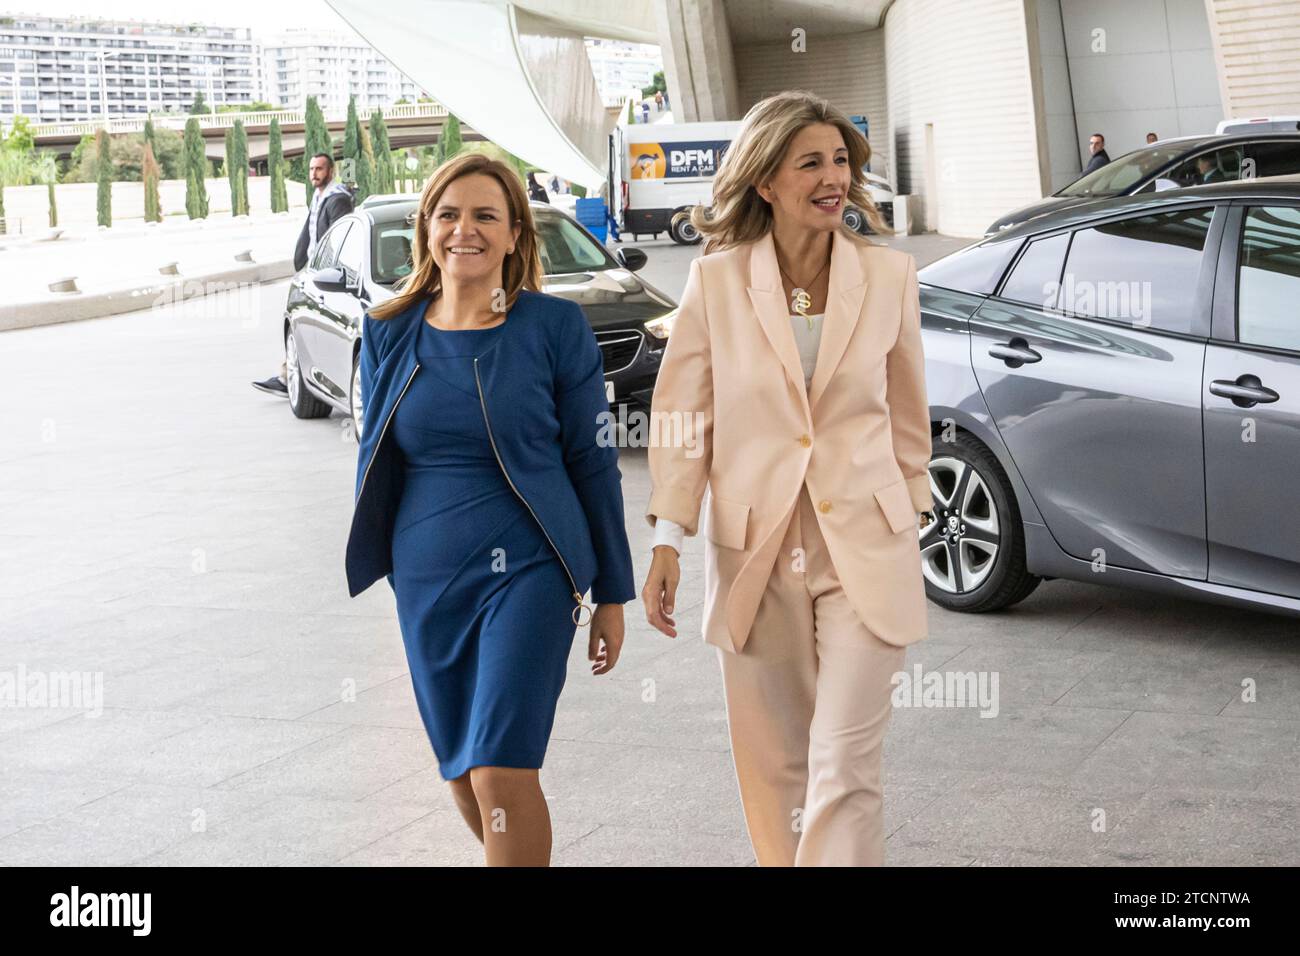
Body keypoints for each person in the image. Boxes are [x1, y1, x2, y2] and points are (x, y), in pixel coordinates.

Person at [641, 89, 936, 867]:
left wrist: (914, 507)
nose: (833, 176)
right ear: (765, 180)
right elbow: (681, 419)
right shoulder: (716, 284)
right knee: (778, 771)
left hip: (865, 549)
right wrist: (669, 539)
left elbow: (910, 419)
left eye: (840, 160)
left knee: (844, 766)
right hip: (755, 550)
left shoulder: (891, 276)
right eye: (811, 162)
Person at [344, 152, 635, 866]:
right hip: (427, 575)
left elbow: (593, 460)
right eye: (448, 214)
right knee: (463, 776)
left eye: (484, 216)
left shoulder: (553, 328)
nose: (463, 229)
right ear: (427, 228)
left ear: (513, 236)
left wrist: (613, 594)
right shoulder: (389, 329)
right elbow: (376, 459)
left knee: (501, 767)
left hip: (531, 565)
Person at [251, 153, 354, 397]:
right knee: (300, 319)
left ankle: (293, 377)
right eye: (311, 169)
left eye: (319, 169)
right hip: (314, 271)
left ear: (330, 171)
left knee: (303, 319)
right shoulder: (319, 197)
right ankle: (290, 375)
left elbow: (337, 238)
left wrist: (324, 271)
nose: (314, 174)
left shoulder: (336, 198)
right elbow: (311, 234)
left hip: (326, 275)